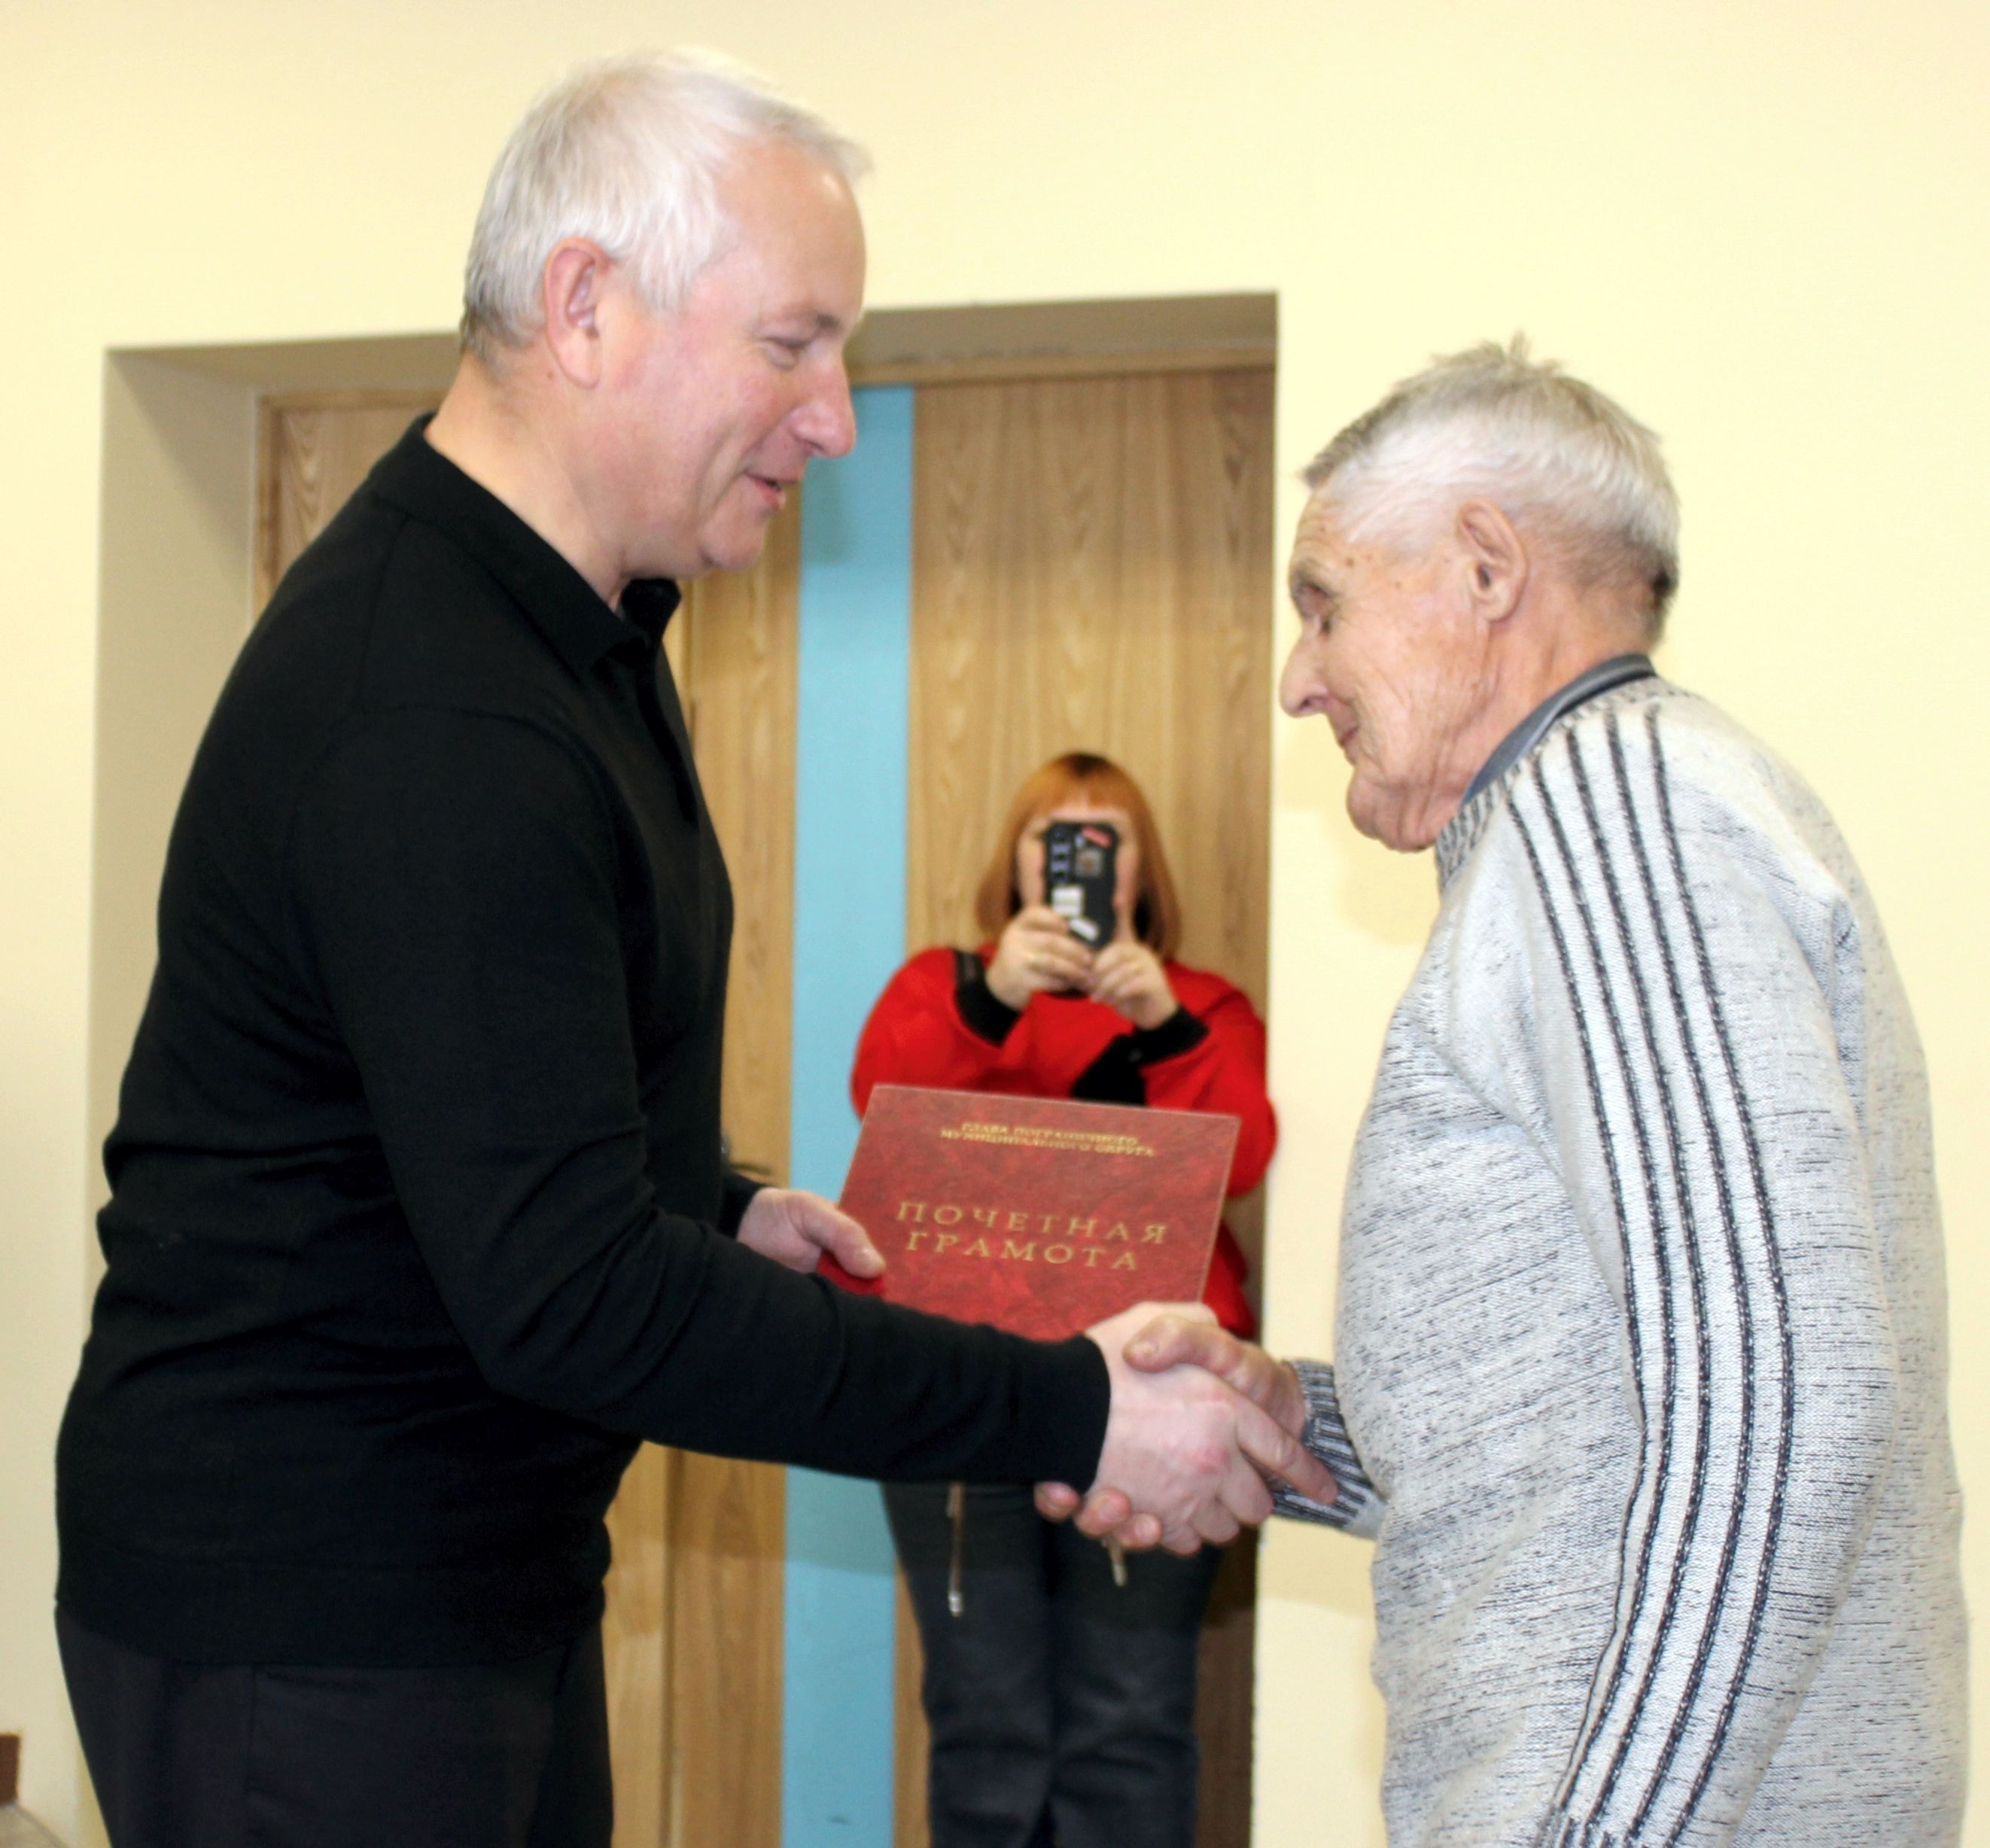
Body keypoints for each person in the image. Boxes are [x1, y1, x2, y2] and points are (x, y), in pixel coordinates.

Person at [53, 54, 1330, 1848]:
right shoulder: (434, 697)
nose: (835, 421)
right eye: (791, 346)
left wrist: (705, 1202)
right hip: (311, 1610)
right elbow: (572, 1293)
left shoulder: (581, 631)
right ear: (583, 307)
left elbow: (466, 1105)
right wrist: (1070, 1410)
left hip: (463, 1577)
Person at [1065, 340, 1967, 1843]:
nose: (1297, 679)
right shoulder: (1618, 818)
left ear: (1487, 568)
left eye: (1323, 604)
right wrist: (1292, 1422)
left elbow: (1771, 1413)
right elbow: (1600, 1424)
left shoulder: (1613, 811)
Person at [851, 751, 1277, 1848]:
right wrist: (993, 998)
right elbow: (885, 1109)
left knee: (1129, 1722)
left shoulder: (1204, 1005)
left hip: (1154, 1391)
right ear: (1019, 863)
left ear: (1140, 870)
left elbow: (1242, 1156)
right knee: (982, 1720)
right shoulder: (946, 984)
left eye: (1104, 838)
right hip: (960, 1380)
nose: (1078, 859)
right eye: (1056, 837)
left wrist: (1164, 1024)